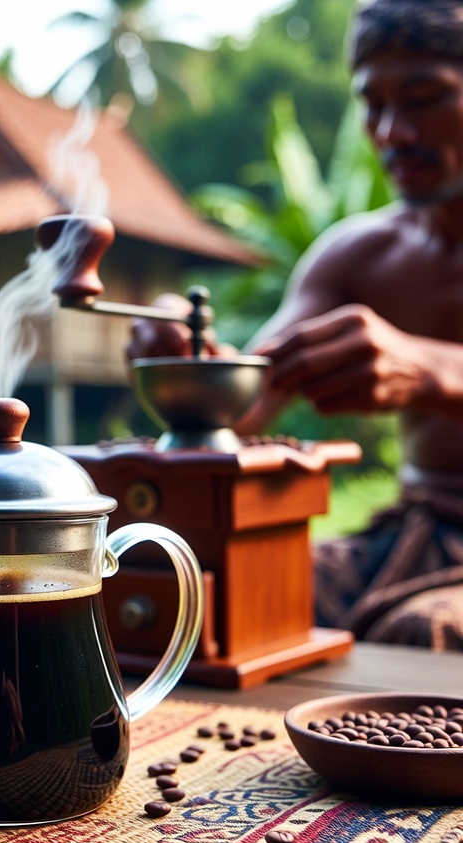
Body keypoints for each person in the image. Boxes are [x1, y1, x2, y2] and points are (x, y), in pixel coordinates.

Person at [127, 0, 463, 651]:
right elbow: (250, 402)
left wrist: (431, 370)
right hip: (415, 538)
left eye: (425, 98)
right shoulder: (359, 255)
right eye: (374, 103)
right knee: (200, 598)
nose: (393, 131)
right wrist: (188, 359)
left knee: (425, 635)